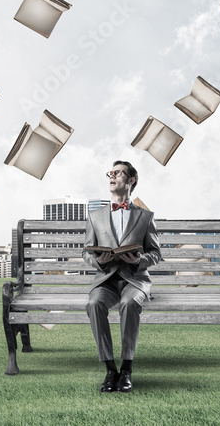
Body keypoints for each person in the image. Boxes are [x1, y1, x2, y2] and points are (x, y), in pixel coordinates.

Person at [83, 160, 161, 393]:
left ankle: (126, 368)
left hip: (135, 279)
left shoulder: (145, 217)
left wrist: (138, 261)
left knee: (129, 302)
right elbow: (86, 251)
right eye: (110, 172)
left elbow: (156, 254)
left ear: (131, 180)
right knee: (94, 303)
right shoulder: (95, 216)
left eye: (117, 172)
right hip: (105, 279)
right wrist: (98, 260)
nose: (112, 175)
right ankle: (110, 369)